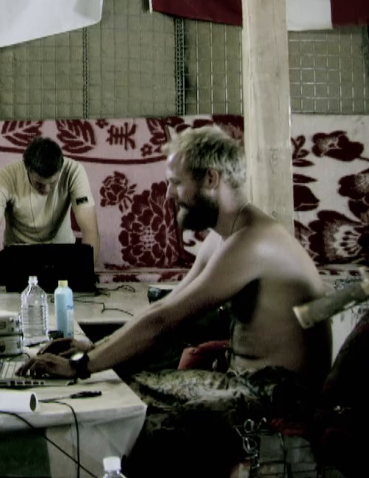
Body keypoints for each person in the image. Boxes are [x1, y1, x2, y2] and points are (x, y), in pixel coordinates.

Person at [17, 126, 333, 478]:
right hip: (243, 383)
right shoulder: (223, 239)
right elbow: (163, 309)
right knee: (115, 392)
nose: (168, 194)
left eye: (176, 183)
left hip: (277, 399)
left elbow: (167, 322)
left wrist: (81, 365)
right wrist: (94, 348)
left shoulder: (254, 241)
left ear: (211, 178)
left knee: (123, 415)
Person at [0, 136, 100, 273]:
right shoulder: (4, 177)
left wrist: (86, 275)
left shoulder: (74, 171)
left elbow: (90, 230)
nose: (46, 190)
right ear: (27, 169)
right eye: (39, 184)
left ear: (61, 168)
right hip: (19, 256)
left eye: (53, 183)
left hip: (62, 253)